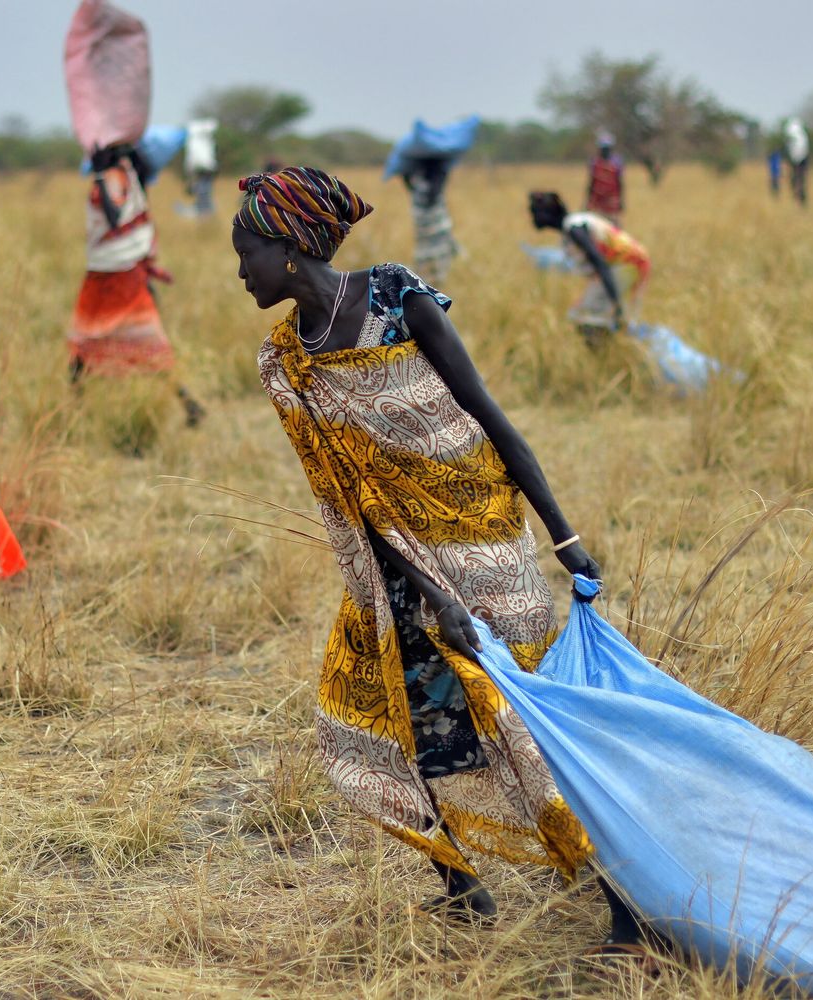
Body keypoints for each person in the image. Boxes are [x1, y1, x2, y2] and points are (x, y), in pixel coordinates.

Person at [231, 166, 645, 958]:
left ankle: (629, 909)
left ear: (287, 249)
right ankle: (462, 888)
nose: (240, 271)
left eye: (245, 253)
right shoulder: (285, 361)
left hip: (484, 539)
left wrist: (563, 538)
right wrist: (430, 592)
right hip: (393, 564)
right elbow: (348, 493)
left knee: (522, 721)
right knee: (385, 715)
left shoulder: (397, 298)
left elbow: (489, 415)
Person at [68, 143, 204, 426]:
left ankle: (73, 410)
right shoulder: (131, 178)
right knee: (133, 345)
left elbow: (114, 219)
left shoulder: (113, 178)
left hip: (114, 278)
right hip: (120, 274)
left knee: (91, 342)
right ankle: (188, 403)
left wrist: (98, 176)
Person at [528, 191, 650, 343]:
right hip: (624, 265)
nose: (532, 218)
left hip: (627, 264)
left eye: (534, 213)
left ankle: (611, 349)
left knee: (587, 318)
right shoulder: (572, 226)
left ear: (546, 215)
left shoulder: (575, 228)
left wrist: (616, 302)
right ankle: (611, 346)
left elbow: (599, 261)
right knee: (581, 315)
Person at [401, 154, 460, 286]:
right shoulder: (437, 172)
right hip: (433, 219)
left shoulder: (414, 171)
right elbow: (434, 192)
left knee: (427, 250)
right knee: (437, 249)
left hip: (424, 219)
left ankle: (429, 278)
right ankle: (434, 278)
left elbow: (408, 183)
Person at [585, 134, 624, 224]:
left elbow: (619, 182)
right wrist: (588, 201)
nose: (605, 151)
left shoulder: (616, 162)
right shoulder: (595, 162)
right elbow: (591, 183)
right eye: (603, 148)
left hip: (612, 200)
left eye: (607, 148)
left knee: (614, 226)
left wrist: (620, 200)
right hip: (598, 201)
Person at [784, 118, 809, 207]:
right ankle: (798, 198)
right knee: (797, 181)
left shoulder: (799, 136)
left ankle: (801, 200)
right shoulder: (800, 135)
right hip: (797, 161)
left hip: (800, 161)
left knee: (799, 182)